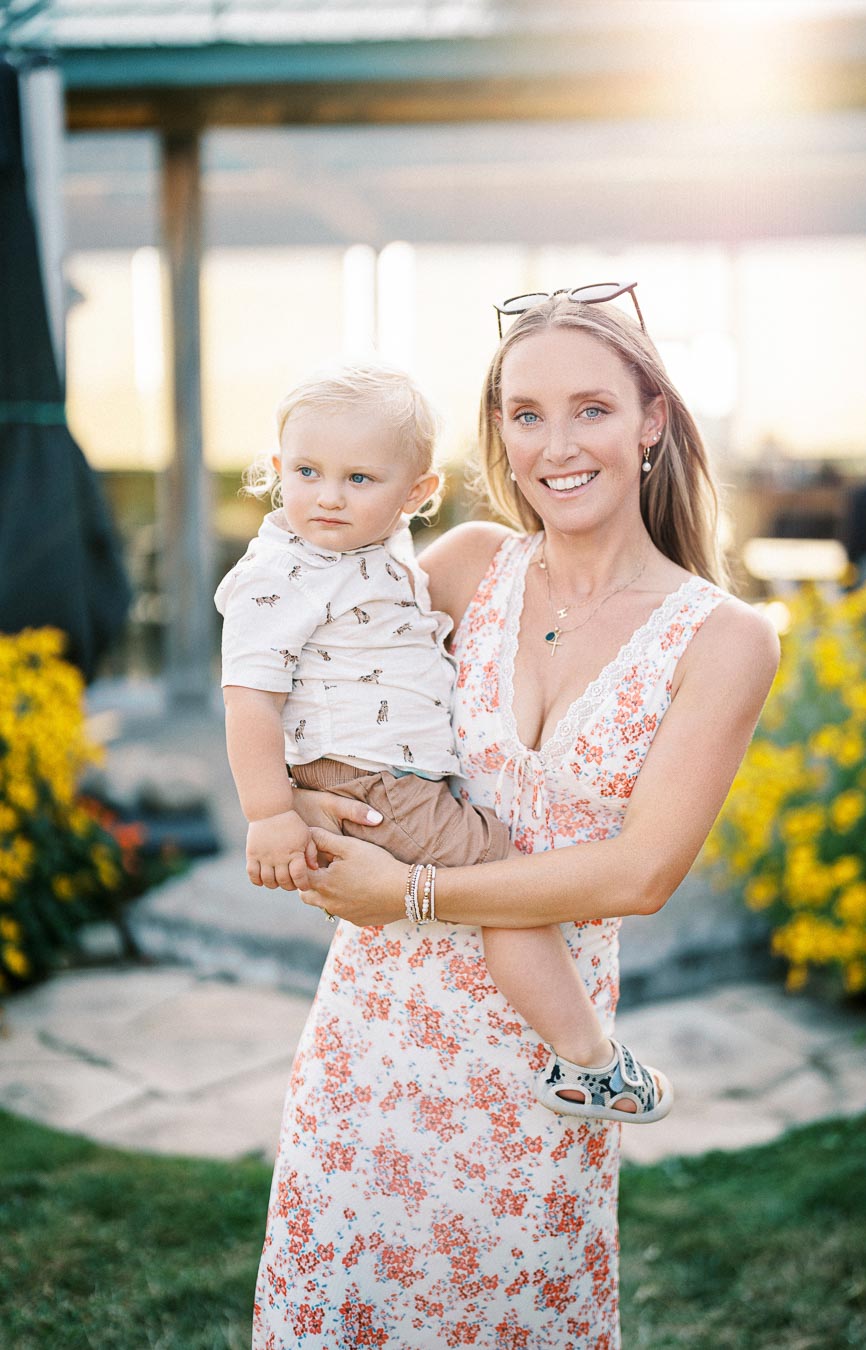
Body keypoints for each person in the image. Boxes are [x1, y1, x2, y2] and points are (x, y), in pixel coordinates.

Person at [251, 288, 780, 1348]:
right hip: (372, 1035)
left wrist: (408, 890)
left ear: (652, 421)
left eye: (590, 408)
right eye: (524, 413)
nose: (555, 444)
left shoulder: (721, 638)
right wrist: (302, 800)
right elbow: (312, 693)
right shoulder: (463, 568)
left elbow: (638, 875)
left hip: (542, 1071)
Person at [216, 361, 672, 1125]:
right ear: (274, 471)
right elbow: (249, 698)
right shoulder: (284, 572)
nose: (328, 495)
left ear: (416, 495)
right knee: (509, 885)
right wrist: (273, 811)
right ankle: (588, 1060)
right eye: (306, 472)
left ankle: (579, 1055)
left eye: (359, 477)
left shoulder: (379, 556)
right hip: (372, 783)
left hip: (391, 780)